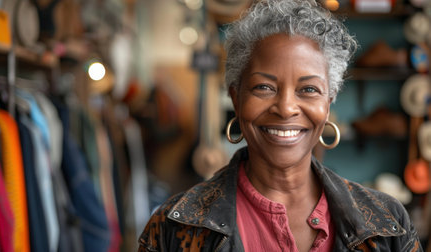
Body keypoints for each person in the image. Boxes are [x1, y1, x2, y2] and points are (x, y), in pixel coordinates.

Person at [138, 0, 423, 251]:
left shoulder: (388, 224)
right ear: (236, 99)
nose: (286, 108)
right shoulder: (174, 228)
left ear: (329, 102)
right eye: (264, 87)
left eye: (308, 89)